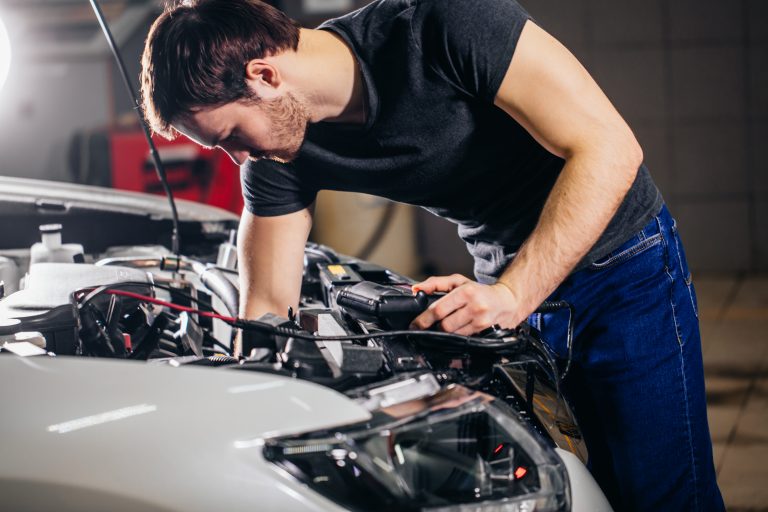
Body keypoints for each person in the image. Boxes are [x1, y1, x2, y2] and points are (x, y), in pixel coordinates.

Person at [140, 0, 724, 509]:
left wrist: (514, 294)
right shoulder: (279, 161)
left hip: (619, 268)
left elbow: (610, 149)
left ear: (264, 74)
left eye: (231, 137)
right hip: (507, 290)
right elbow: (266, 308)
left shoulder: (446, 22)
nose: (239, 160)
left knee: (662, 495)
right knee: (571, 488)